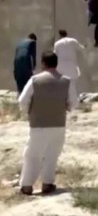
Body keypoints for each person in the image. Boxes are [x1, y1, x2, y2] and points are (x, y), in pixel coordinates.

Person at [17, 51, 78, 195]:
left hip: (38, 124)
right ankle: (47, 184)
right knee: (52, 155)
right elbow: (74, 102)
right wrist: (66, 108)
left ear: (43, 63)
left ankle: (27, 185)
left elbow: (23, 100)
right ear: (56, 63)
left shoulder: (35, 80)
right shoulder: (66, 80)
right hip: (58, 124)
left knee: (32, 155)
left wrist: (29, 111)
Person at [53, 30, 85, 95]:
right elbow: (81, 48)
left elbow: (54, 54)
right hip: (72, 65)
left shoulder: (57, 43)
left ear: (60, 35)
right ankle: (73, 97)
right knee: (72, 82)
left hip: (61, 65)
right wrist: (85, 46)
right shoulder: (73, 41)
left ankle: (63, 96)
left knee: (62, 83)